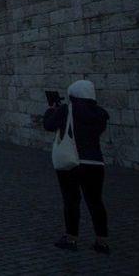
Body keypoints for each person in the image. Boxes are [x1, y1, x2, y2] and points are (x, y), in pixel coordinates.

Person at [43, 79, 111, 255]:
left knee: (71, 201)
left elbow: (48, 125)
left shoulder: (67, 110)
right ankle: (102, 241)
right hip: (95, 163)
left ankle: (71, 238)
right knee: (95, 202)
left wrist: (52, 109)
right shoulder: (101, 114)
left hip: (71, 161)